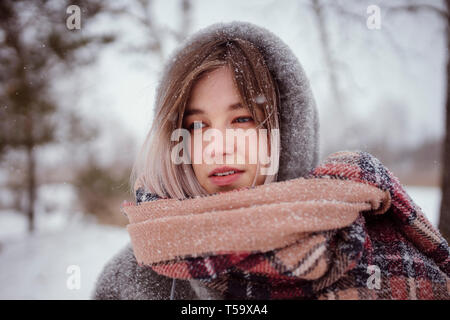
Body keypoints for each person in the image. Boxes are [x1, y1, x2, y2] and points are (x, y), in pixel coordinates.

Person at [93, 21, 449, 300]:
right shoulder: (133, 281)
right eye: (197, 125)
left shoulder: (374, 261)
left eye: (242, 119)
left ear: (288, 128)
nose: (216, 148)